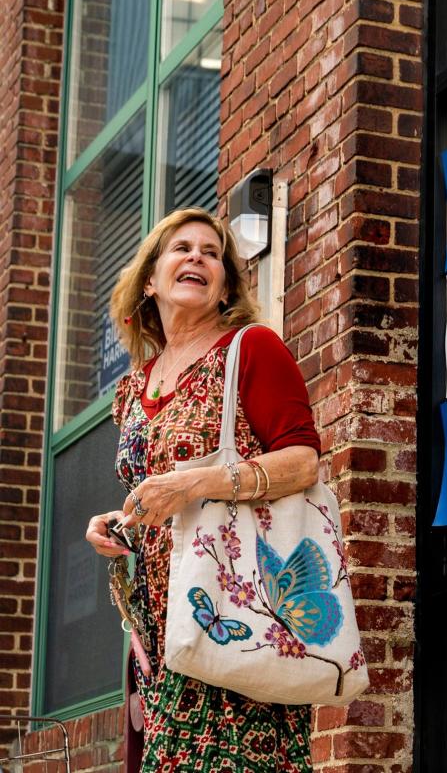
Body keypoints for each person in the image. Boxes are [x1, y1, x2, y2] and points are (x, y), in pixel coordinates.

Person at [84, 208, 322, 771]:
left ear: (224, 286)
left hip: (235, 612)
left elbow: (303, 461)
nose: (197, 257)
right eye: (182, 248)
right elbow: (156, 491)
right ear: (150, 280)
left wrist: (197, 482)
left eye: (211, 253)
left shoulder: (251, 349)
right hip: (161, 633)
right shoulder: (134, 387)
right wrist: (119, 523)